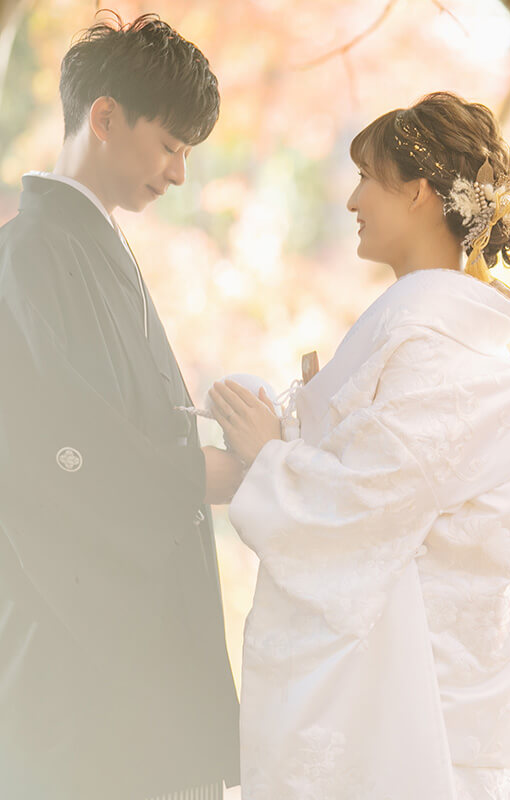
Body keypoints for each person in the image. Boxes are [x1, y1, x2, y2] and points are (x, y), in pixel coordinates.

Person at [208, 92, 510, 799]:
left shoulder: (434, 358)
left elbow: (366, 507)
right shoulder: (431, 347)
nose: (350, 198)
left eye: (366, 178)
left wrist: (272, 456)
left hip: (407, 734)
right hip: (439, 728)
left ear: (416, 194)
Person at [0, 14, 240, 800]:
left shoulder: (89, 242)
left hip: (118, 658)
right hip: (76, 661)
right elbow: (66, 451)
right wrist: (213, 471)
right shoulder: (34, 249)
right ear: (104, 117)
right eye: (171, 145)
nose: (178, 174)